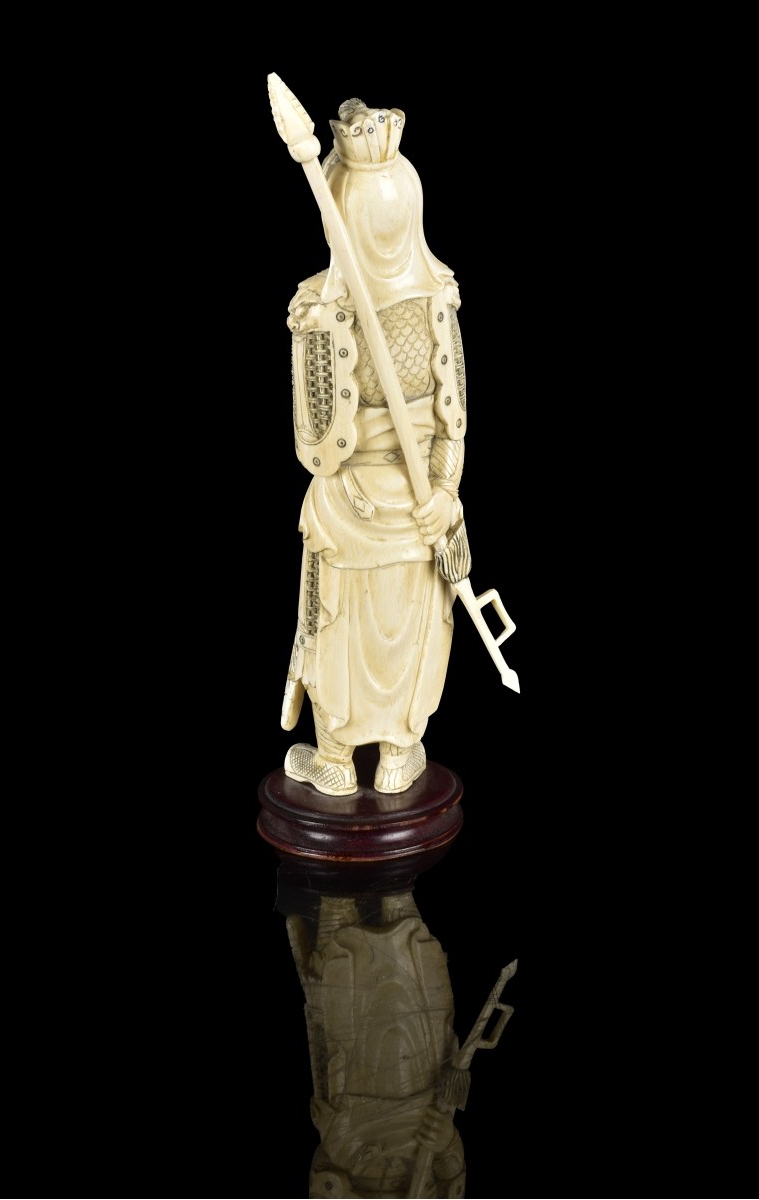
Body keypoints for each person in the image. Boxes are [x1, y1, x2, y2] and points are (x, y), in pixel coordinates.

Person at [281, 97, 469, 797]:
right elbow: (320, 436)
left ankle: (376, 752)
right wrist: (442, 490)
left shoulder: (426, 300)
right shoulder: (334, 308)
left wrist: (443, 494)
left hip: (391, 505)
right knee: (354, 623)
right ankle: (362, 753)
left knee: (376, 624)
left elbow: (448, 422)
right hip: (374, 500)